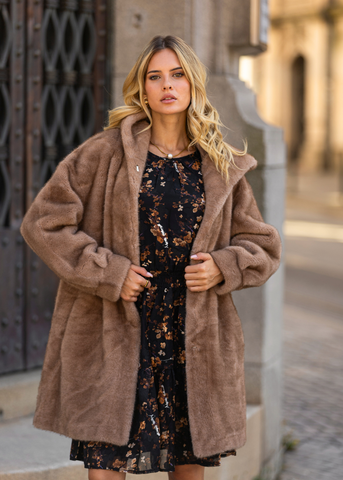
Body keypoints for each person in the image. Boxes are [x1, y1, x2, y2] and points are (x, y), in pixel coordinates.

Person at [20, 35, 282, 480]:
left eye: (177, 74)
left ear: (193, 85)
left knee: (187, 466)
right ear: (142, 88)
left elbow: (262, 246)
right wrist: (109, 272)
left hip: (190, 337)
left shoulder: (221, 165)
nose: (167, 85)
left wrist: (224, 266)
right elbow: (43, 223)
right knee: (105, 465)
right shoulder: (103, 153)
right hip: (115, 330)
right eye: (155, 76)